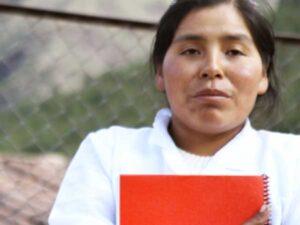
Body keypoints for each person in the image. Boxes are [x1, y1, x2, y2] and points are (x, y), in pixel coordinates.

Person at [48, 0, 300, 224]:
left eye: (234, 51)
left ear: (263, 74)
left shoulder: (291, 161)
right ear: (160, 71)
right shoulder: (108, 152)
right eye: (191, 51)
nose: (212, 68)